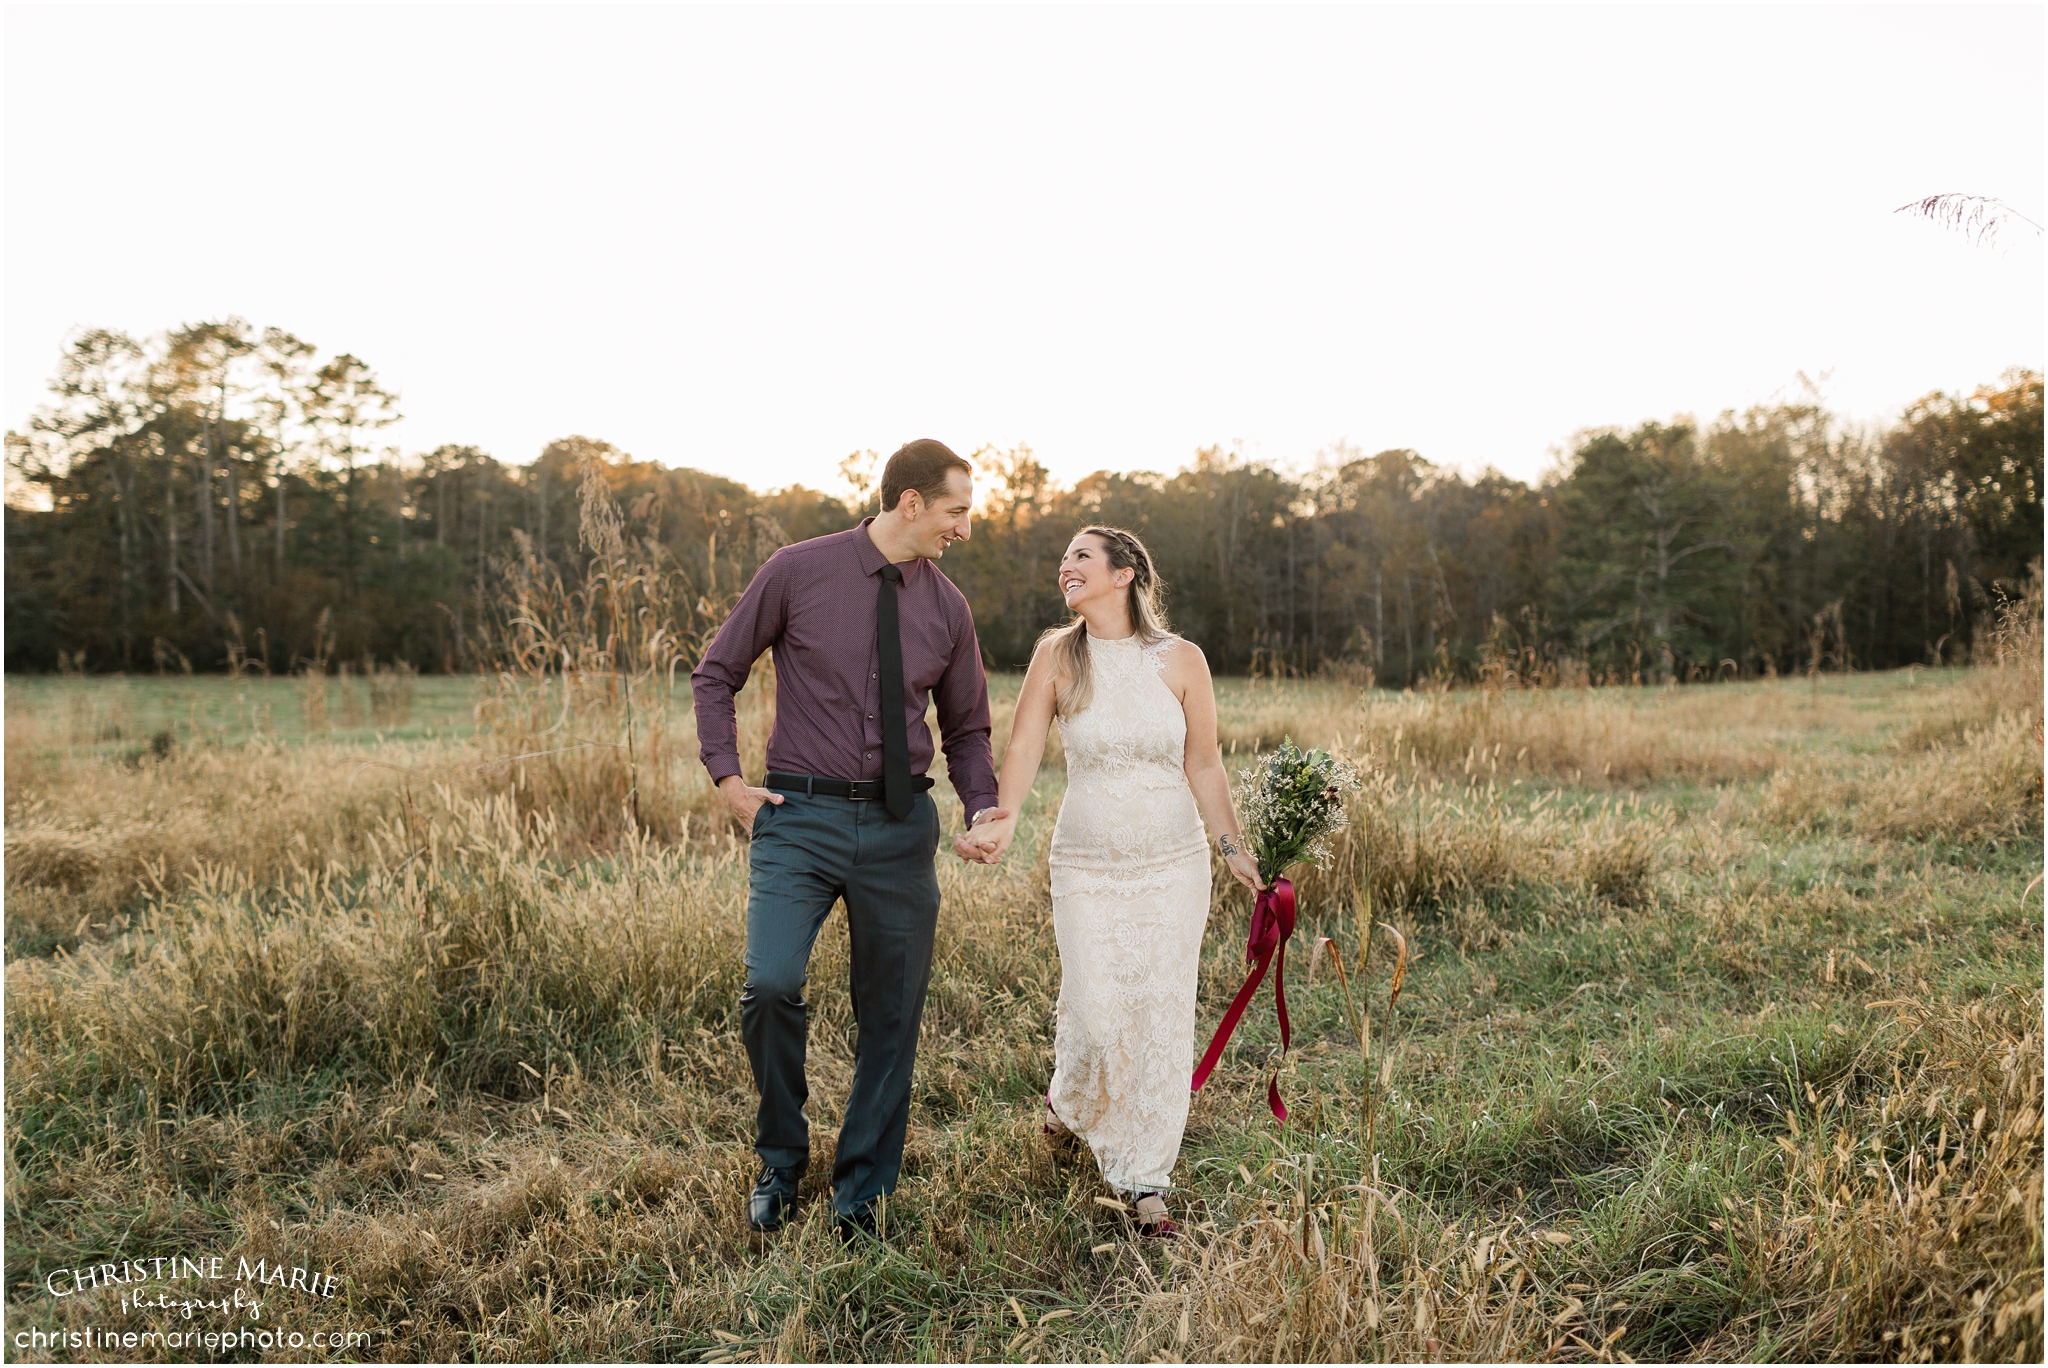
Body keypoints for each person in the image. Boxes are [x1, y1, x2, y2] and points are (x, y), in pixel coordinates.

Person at [691, 438, 1001, 1243]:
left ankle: (860, 1194)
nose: (965, 527)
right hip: (799, 819)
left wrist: (982, 810)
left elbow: (967, 727)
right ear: (910, 502)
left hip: (901, 831)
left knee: (891, 1016)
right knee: (771, 984)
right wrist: (728, 780)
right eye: (956, 510)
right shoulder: (798, 569)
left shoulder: (948, 609)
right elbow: (716, 671)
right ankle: (781, 1161)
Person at [960, 525, 1263, 1235]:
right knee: (1096, 1009)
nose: (1065, 567)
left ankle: (1144, 1180)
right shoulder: (1058, 657)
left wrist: (1232, 847)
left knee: (1158, 1015)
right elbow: (1026, 746)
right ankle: (1069, 1100)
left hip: (1172, 865)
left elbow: (1205, 764)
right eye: (1064, 558)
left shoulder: (1181, 660)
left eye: (1081, 557)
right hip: (1087, 866)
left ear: (1124, 574)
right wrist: (999, 822)